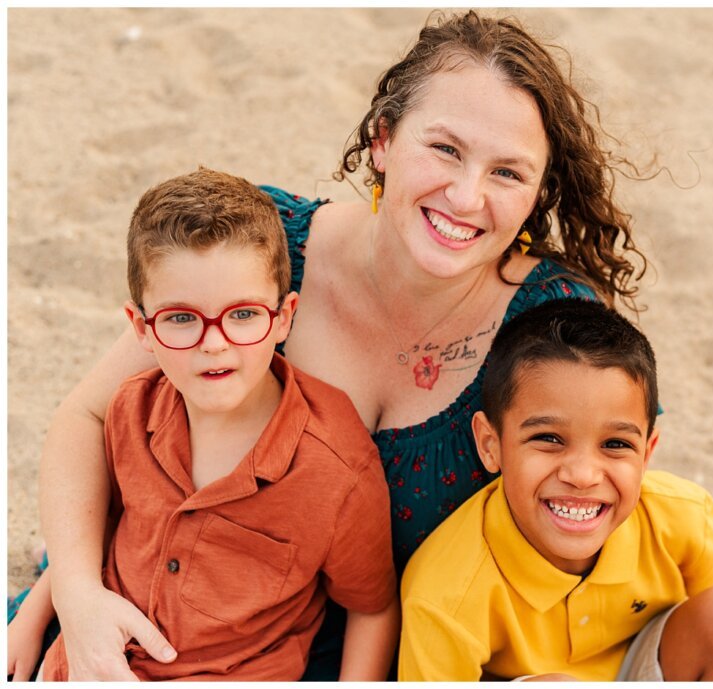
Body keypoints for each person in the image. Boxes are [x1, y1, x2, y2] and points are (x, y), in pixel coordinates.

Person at [33, 10, 649, 680]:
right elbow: (89, 416)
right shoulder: (268, 253)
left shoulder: (555, 324)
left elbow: (607, 507)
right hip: (159, 614)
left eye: (508, 173)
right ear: (383, 140)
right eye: (444, 149)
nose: (467, 195)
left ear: (536, 193)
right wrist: (71, 591)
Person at [8, 168, 398, 681]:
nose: (214, 342)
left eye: (242, 315)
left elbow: (371, 607)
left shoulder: (335, 467)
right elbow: (107, 522)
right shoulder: (131, 410)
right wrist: (31, 621)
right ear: (141, 328)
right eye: (181, 318)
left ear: (284, 317)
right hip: (83, 659)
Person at [399, 299, 713, 681]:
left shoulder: (684, 516)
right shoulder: (445, 592)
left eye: (615, 444)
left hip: (645, 662)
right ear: (490, 444)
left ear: (646, 453)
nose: (582, 475)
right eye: (548, 438)